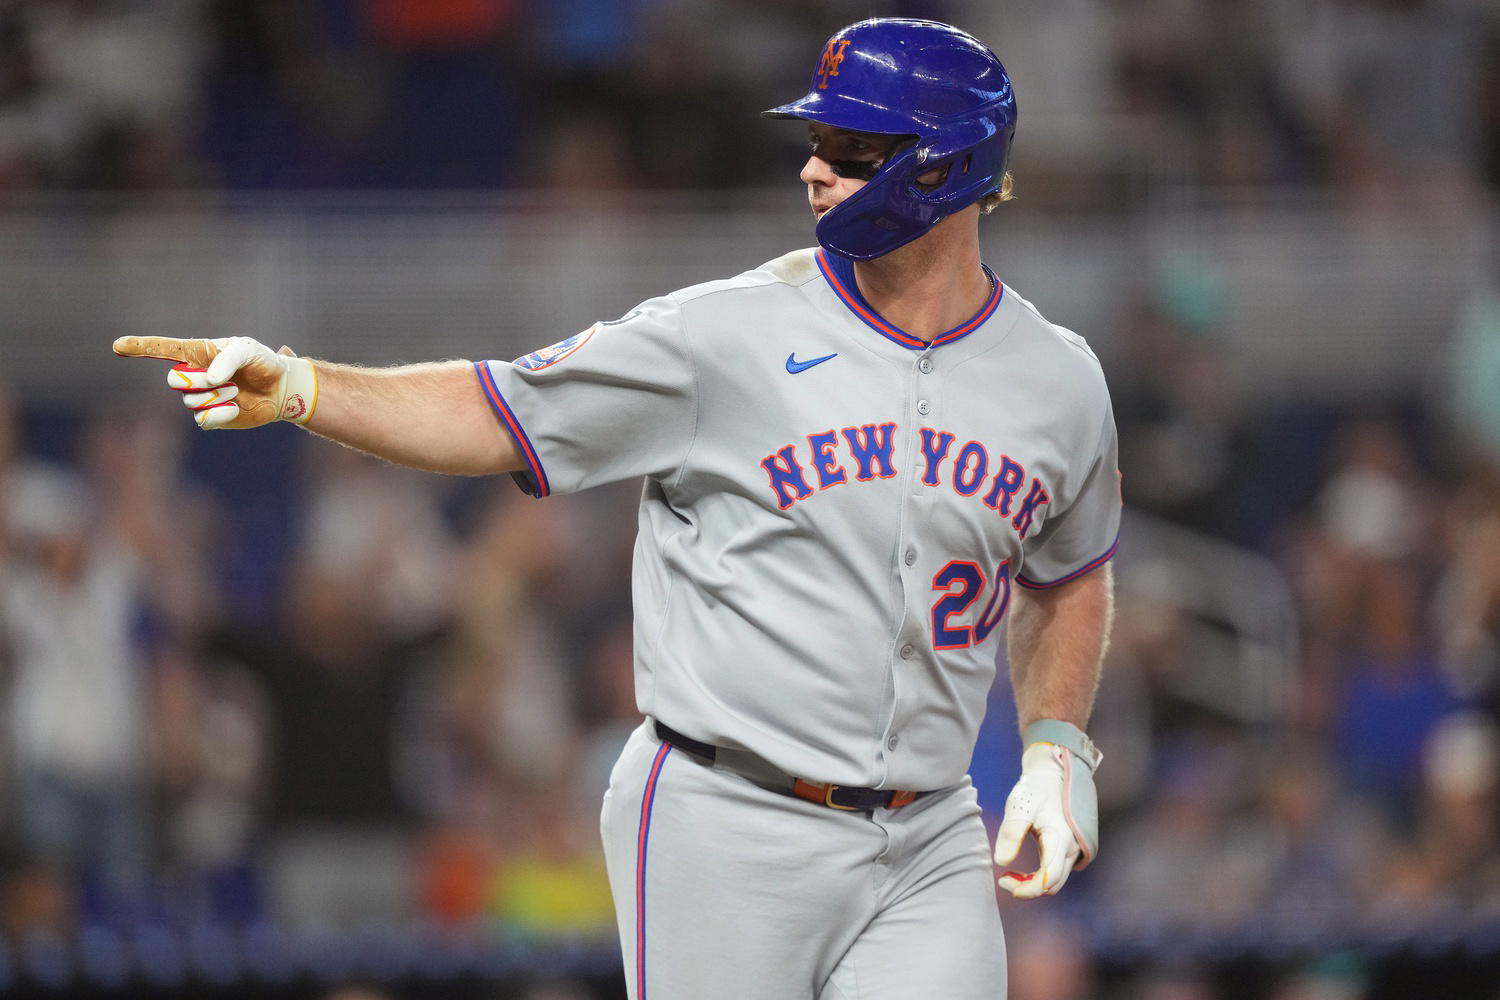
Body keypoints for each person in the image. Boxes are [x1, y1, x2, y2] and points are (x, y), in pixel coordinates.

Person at [114, 18, 1119, 1000]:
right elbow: (497, 408)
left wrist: (1056, 746)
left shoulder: (1058, 381)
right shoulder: (722, 335)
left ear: (946, 166)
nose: (815, 171)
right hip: (729, 812)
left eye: (850, 149)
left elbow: (1071, 573)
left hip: (931, 830)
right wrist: (302, 387)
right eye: (815, 144)